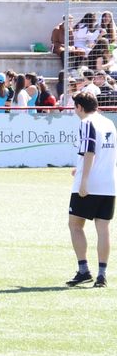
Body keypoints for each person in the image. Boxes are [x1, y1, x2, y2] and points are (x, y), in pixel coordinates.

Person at [68, 91, 117, 288]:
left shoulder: (86, 122)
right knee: (103, 229)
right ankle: (102, 275)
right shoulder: (109, 123)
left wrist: (84, 180)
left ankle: (83, 270)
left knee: (75, 225)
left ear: (79, 107)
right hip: (109, 184)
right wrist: (79, 168)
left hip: (90, 184)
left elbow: (90, 151)